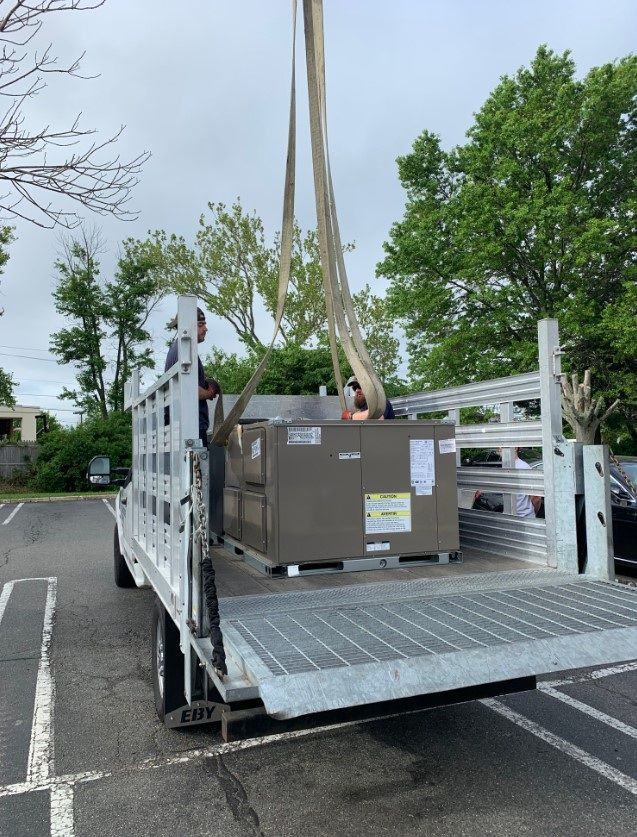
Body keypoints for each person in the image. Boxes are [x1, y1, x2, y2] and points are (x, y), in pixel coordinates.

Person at [165, 306, 219, 446]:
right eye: (201, 325)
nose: (205, 329)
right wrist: (209, 392)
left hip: (184, 425)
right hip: (191, 427)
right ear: (187, 327)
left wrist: (204, 384)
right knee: (199, 467)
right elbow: (189, 390)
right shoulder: (184, 352)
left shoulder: (177, 349)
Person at [511, 447, 542, 518]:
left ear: (515, 448)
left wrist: (531, 514)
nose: (499, 448)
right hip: (512, 519)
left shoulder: (523, 468)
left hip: (524, 518)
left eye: (502, 446)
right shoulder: (505, 468)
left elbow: (536, 497)